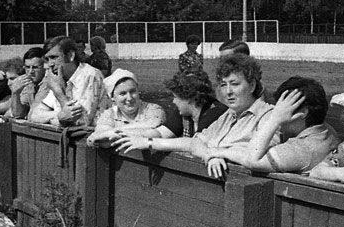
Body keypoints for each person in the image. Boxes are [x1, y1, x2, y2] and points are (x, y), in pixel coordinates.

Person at [116, 54, 273, 162]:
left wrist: (215, 153)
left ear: (252, 85)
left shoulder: (269, 116)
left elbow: (252, 155)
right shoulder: (228, 116)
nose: (228, 91)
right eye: (223, 85)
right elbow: (195, 143)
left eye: (235, 84)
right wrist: (147, 142)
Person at [201, 76, 338, 177]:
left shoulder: (301, 148)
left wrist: (275, 119)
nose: (276, 111)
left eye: (282, 109)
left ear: (303, 113)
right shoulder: (325, 131)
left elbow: (252, 158)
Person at [28, 36, 105, 127]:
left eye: (54, 57)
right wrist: (59, 116)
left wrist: (59, 93)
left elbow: (81, 122)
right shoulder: (60, 78)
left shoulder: (90, 75)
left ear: (70, 56)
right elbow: (34, 115)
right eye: (47, 59)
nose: (50, 64)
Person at [88, 70, 167, 145]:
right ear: (113, 98)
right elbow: (102, 138)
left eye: (132, 91)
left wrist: (115, 131)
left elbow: (156, 133)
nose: (129, 98)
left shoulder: (153, 109)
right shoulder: (109, 114)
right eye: (123, 94)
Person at [160, 70, 226, 137]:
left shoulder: (214, 114)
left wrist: (153, 142)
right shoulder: (185, 112)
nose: (174, 101)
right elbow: (161, 133)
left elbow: (195, 142)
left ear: (190, 98)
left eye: (175, 97)